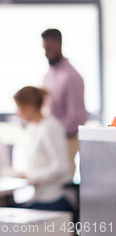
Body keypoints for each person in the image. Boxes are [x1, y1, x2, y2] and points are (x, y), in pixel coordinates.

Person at [13, 86, 73, 212]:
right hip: (37, 196)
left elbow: (61, 167)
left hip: (53, 197)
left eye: (19, 107)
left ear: (29, 106)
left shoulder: (50, 127)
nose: (17, 112)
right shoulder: (32, 127)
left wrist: (31, 176)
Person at [42, 29, 87, 178]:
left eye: (50, 48)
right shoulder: (49, 75)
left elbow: (77, 116)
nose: (47, 52)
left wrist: (56, 132)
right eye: (44, 48)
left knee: (62, 180)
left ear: (59, 44)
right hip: (52, 136)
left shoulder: (71, 76)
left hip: (67, 138)